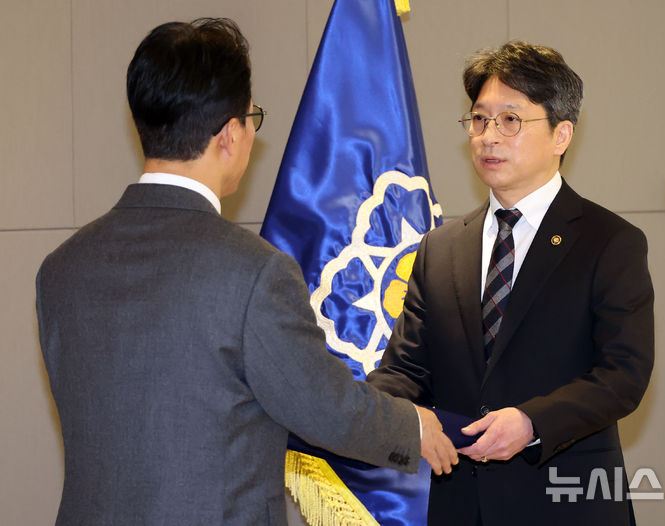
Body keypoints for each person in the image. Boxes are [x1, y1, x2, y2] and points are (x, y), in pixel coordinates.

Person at [35, 18, 457, 525]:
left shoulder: (60, 269)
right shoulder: (255, 272)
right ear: (230, 134)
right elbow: (323, 407)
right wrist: (414, 427)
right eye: (252, 118)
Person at [367, 41, 654, 525]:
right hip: (461, 504)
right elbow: (405, 370)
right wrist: (375, 411)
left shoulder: (609, 242)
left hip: (567, 502)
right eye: (479, 120)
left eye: (510, 120)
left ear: (562, 134)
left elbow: (623, 375)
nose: (488, 137)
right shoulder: (440, 248)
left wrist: (531, 422)